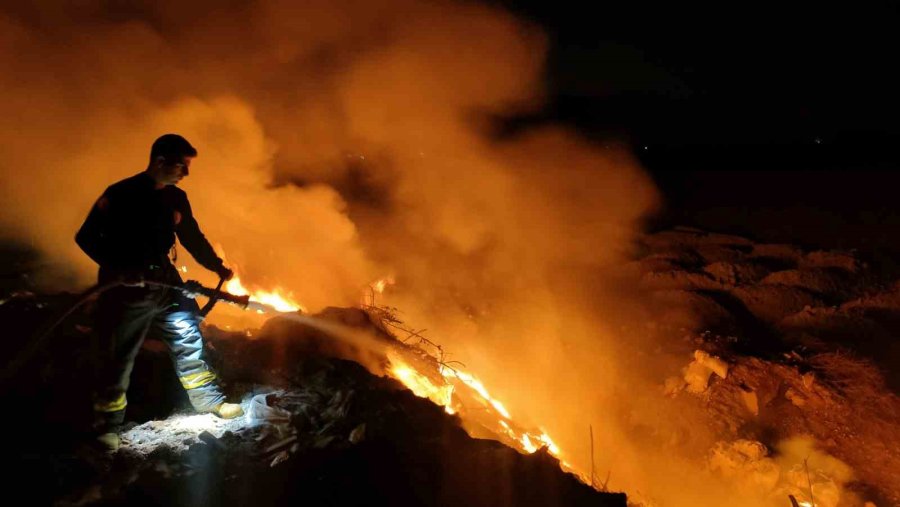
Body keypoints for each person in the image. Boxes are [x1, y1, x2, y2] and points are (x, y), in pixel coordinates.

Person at [76, 134, 243, 451]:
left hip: (165, 281)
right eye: (182, 165)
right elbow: (85, 237)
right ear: (160, 161)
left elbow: (192, 237)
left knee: (187, 335)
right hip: (126, 289)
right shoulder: (120, 194)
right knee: (119, 355)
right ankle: (108, 426)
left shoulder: (176, 198)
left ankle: (209, 401)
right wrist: (120, 268)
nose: (186, 173)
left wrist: (216, 266)